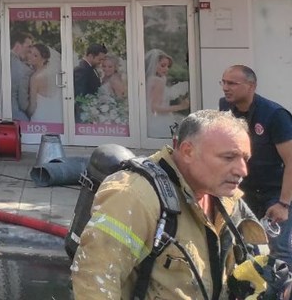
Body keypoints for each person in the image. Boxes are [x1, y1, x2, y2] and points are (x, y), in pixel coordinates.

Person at [71, 110, 268, 299]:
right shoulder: (135, 195)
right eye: (228, 157)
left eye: (245, 158)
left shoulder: (226, 198)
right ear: (188, 151)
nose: (243, 170)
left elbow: (243, 269)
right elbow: (94, 279)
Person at [219, 64, 292, 264]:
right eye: (223, 82)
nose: (226, 87)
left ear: (252, 86)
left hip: (275, 195)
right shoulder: (225, 108)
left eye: (232, 83)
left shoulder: (275, 115)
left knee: (280, 253)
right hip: (243, 192)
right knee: (240, 246)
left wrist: (283, 204)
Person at [144, 49, 189, 139]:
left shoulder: (147, 80)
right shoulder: (158, 81)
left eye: (168, 66)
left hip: (148, 120)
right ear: (153, 65)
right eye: (163, 66)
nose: (166, 69)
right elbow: (156, 108)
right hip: (160, 121)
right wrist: (181, 107)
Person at [25, 43, 62, 126]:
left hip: (40, 117)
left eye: (35, 55)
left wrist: (26, 114)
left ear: (44, 59)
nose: (30, 56)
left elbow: (33, 106)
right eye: (30, 52)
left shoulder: (36, 77)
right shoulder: (52, 73)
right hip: (54, 116)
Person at [9, 30, 34, 122]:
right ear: (18, 46)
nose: (30, 50)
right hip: (16, 115)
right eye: (28, 47)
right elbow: (23, 104)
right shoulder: (24, 70)